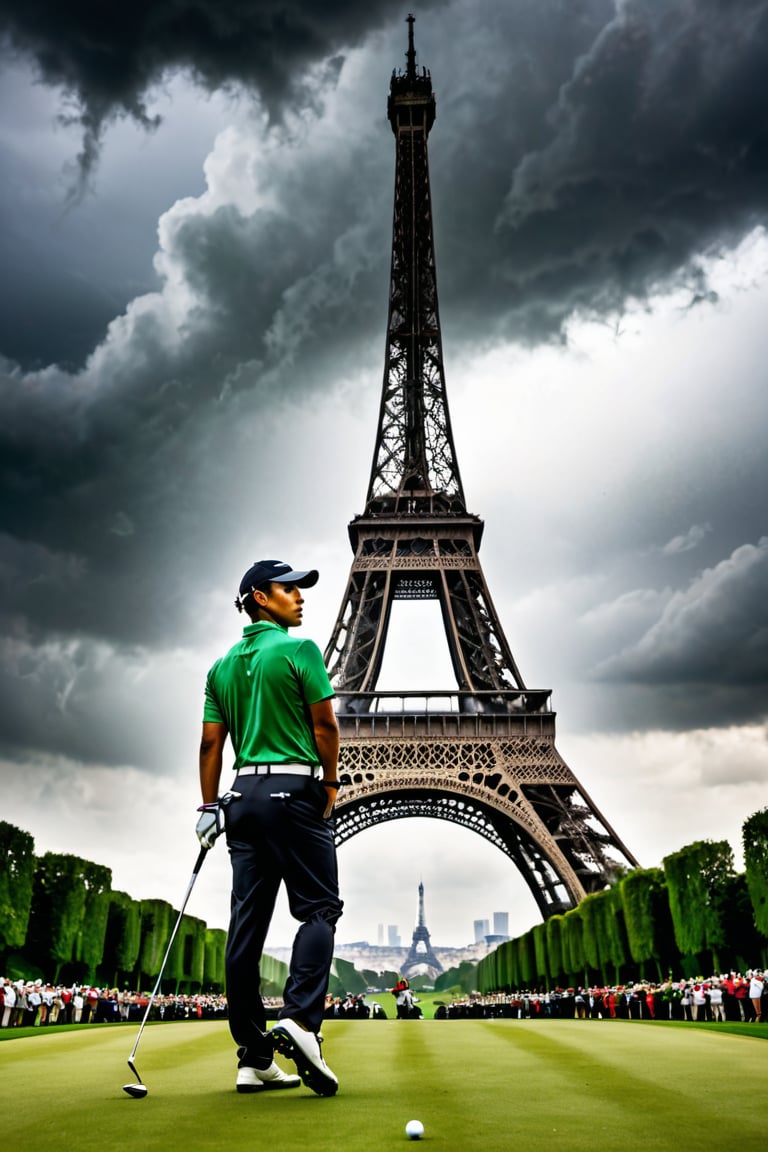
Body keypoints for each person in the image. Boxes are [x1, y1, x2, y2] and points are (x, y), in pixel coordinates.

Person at [196, 559, 344, 1097]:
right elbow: (326, 724)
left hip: (241, 797)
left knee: (246, 927)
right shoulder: (301, 651)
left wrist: (208, 806)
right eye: (290, 589)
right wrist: (330, 784)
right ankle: (302, 1022)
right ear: (260, 597)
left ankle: (254, 1056)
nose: (300, 597)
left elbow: (212, 744)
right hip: (295, 792)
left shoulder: (219, 667)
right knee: (319, 908)